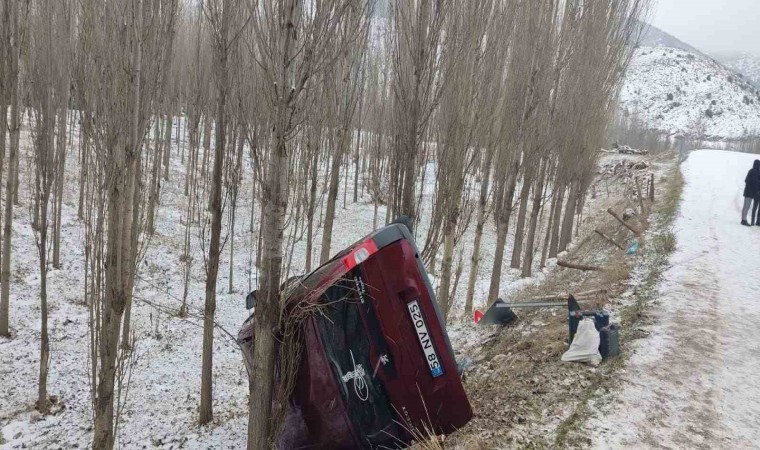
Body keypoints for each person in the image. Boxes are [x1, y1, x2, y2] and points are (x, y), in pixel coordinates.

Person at [742, 159, 760, 226]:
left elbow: (746, 180)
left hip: (748, 192)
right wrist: (756, 191)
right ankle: (743, 220)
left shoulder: (752, 170)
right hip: (749, 192)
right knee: (746, 206)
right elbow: (755, 183)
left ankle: (744, 219)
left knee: (746, 206)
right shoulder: (754, 171)